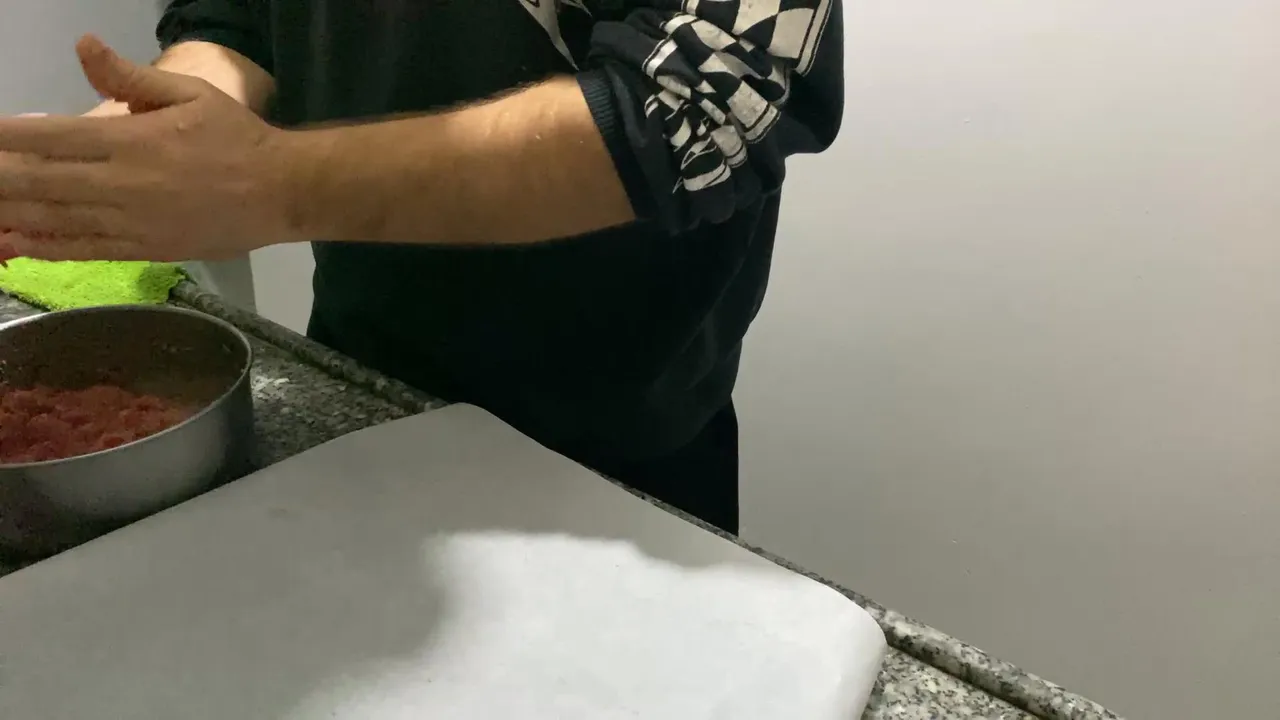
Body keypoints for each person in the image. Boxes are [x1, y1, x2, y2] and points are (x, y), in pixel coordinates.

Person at [0, 0, 845, 534]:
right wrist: (142, 143)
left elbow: (695, 105)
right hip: (359, 388)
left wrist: (274, 186)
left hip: (617, 450)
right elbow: (240, 17)